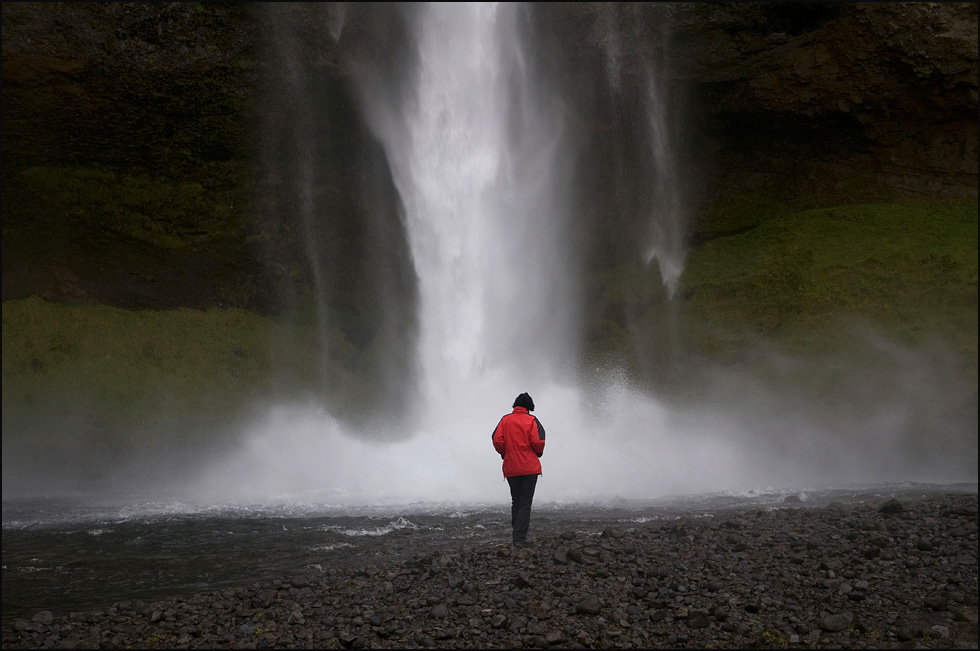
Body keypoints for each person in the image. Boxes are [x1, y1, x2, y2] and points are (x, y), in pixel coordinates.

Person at [492, 392, 546, 546]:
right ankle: (519, 539)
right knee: (524, 503)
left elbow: (496, 439)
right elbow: (538, 441)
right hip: (529, 468)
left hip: (511, 467)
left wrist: (505, 453)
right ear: (529, 407)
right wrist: (538, 453)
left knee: (516, 501)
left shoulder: (505, 420)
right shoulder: (532, 420)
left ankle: (517, 535)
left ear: (515, 405)